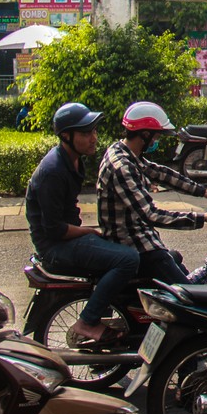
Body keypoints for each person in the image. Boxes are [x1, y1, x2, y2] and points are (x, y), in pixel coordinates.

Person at [25, 102, 139, 345]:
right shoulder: (53, 171)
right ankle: (88, 321)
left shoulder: (72, 160)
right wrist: (90, 232)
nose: (94, 138)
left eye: (94, 132)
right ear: (66, 136)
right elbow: (53, 228)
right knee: (128, 259)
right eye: (86, 133)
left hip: (67, 239)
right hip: (55, 247)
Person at [96, 101, 207, 285]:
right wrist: (203, 217)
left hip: (140, 237)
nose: (156, 141)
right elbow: (152, 215)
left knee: (178, 267)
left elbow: (161, 174)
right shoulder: (122, 167)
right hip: (134, 244)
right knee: (187, 297)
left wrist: (203, 191)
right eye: (156, 136)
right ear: (145, 134)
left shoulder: (123, 152)